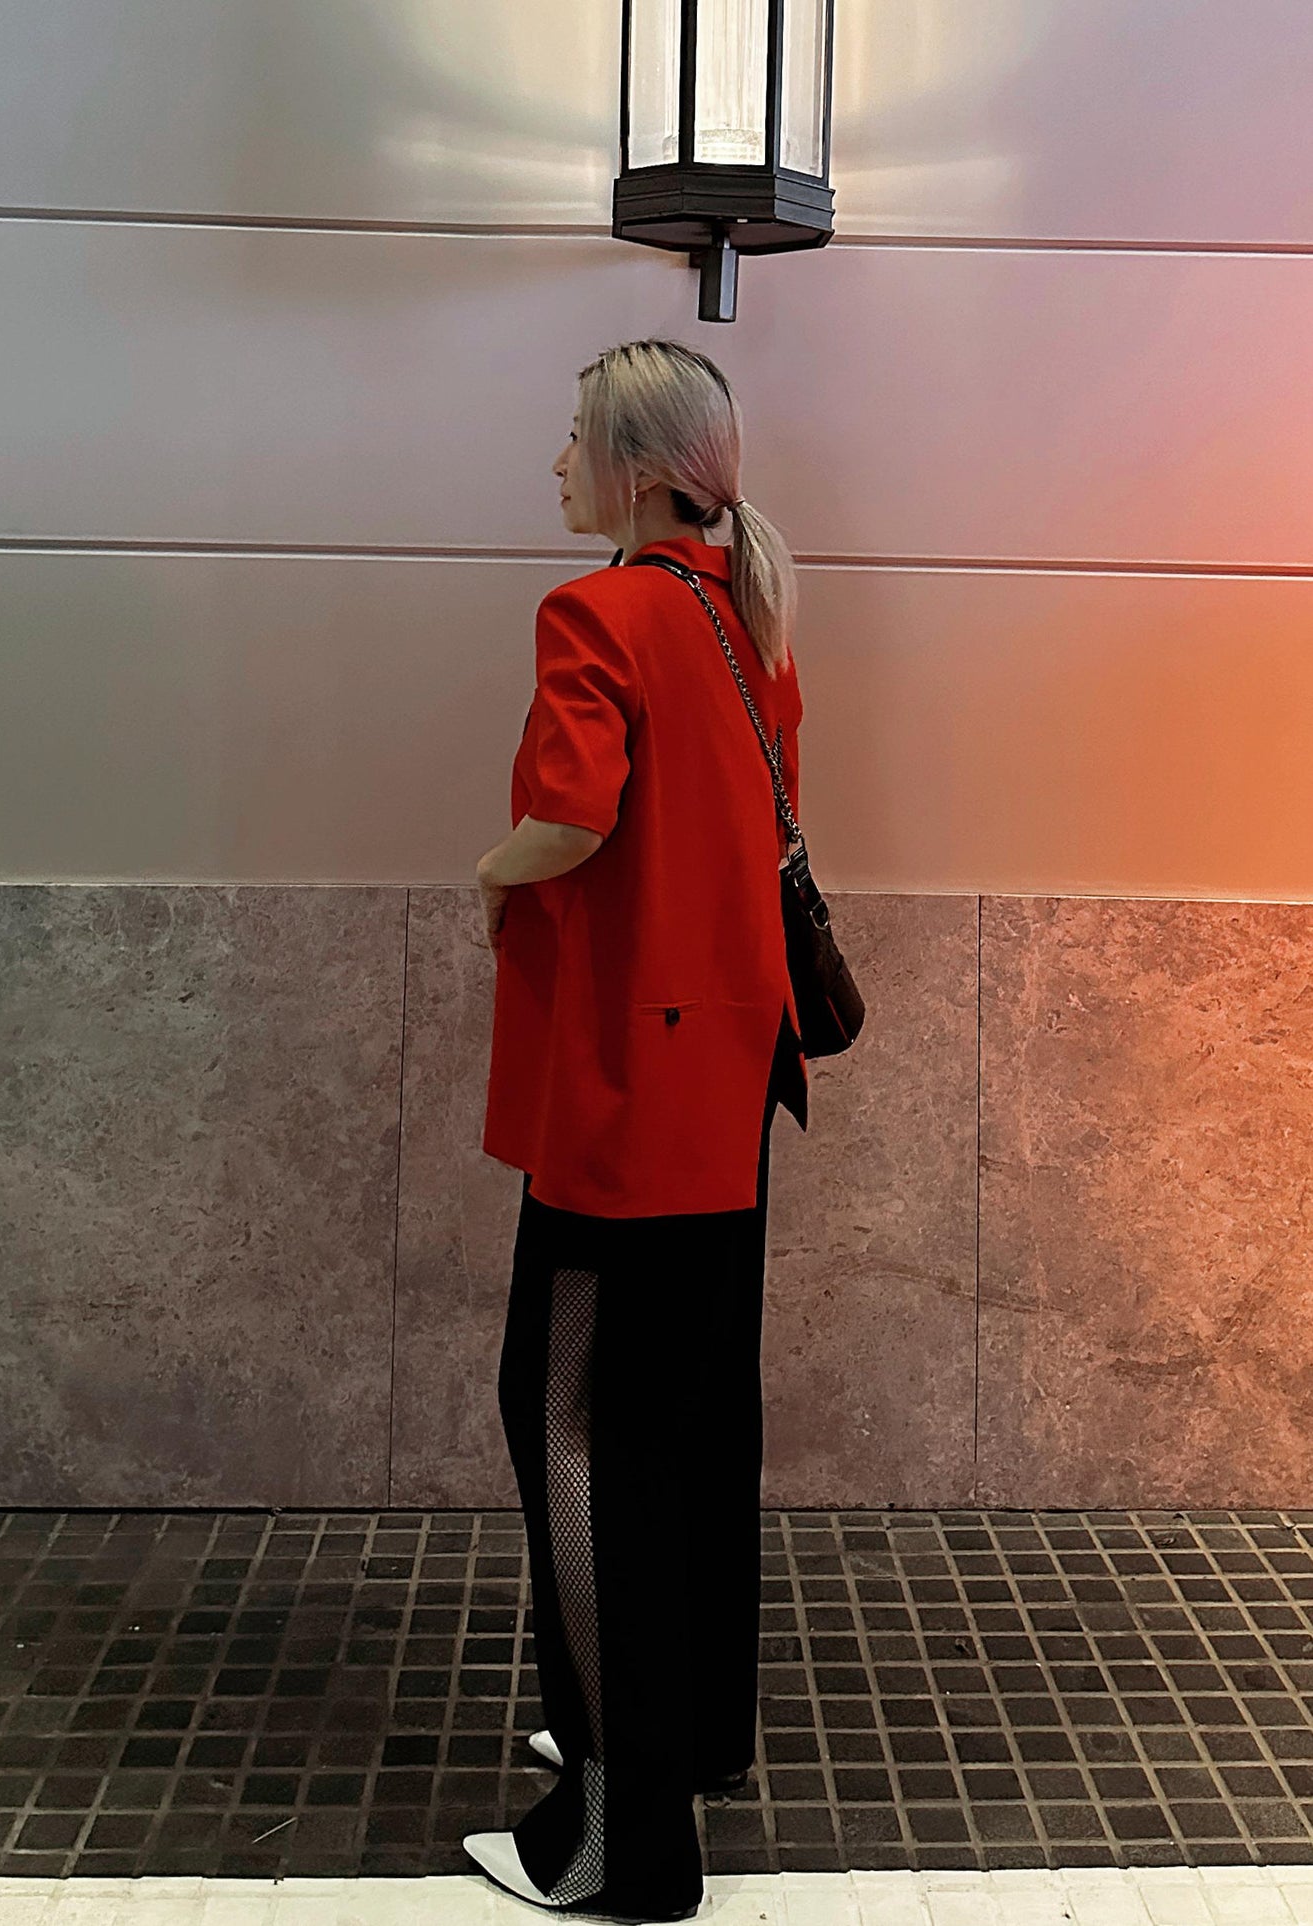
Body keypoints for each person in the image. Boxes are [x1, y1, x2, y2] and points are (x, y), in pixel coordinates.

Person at [463, 337, 810, 1923]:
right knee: (694, 1421)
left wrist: (489, 869)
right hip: (725, 1082)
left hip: (618, 1095)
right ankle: (687, 1737)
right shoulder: (748, 622)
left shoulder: (595, 612)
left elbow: (571, 815)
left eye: (573, 437)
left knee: (573, 1428)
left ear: (636, 468)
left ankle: (619, 1834)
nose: (555, 461)